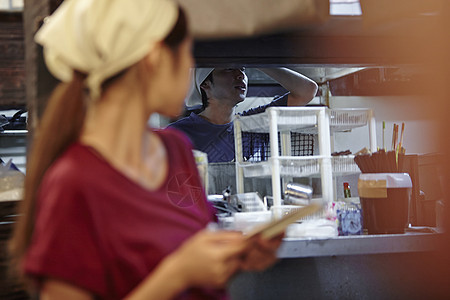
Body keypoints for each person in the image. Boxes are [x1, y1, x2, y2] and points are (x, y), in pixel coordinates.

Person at [9, 1, 283, 299]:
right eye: (185, 53)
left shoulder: (176, 150)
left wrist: (237, 257)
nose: (188, 67)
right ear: (154, 58)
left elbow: (196, 252)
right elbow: (180, 268)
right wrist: (178, 273)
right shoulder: (74, 181)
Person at [168, 67, 318, 162]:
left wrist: (260, 62)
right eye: (228, 69)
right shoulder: (176, 134)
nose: (240, 75)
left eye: (243, 69)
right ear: (205, 84)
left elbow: (307, 91)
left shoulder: (253, 124)